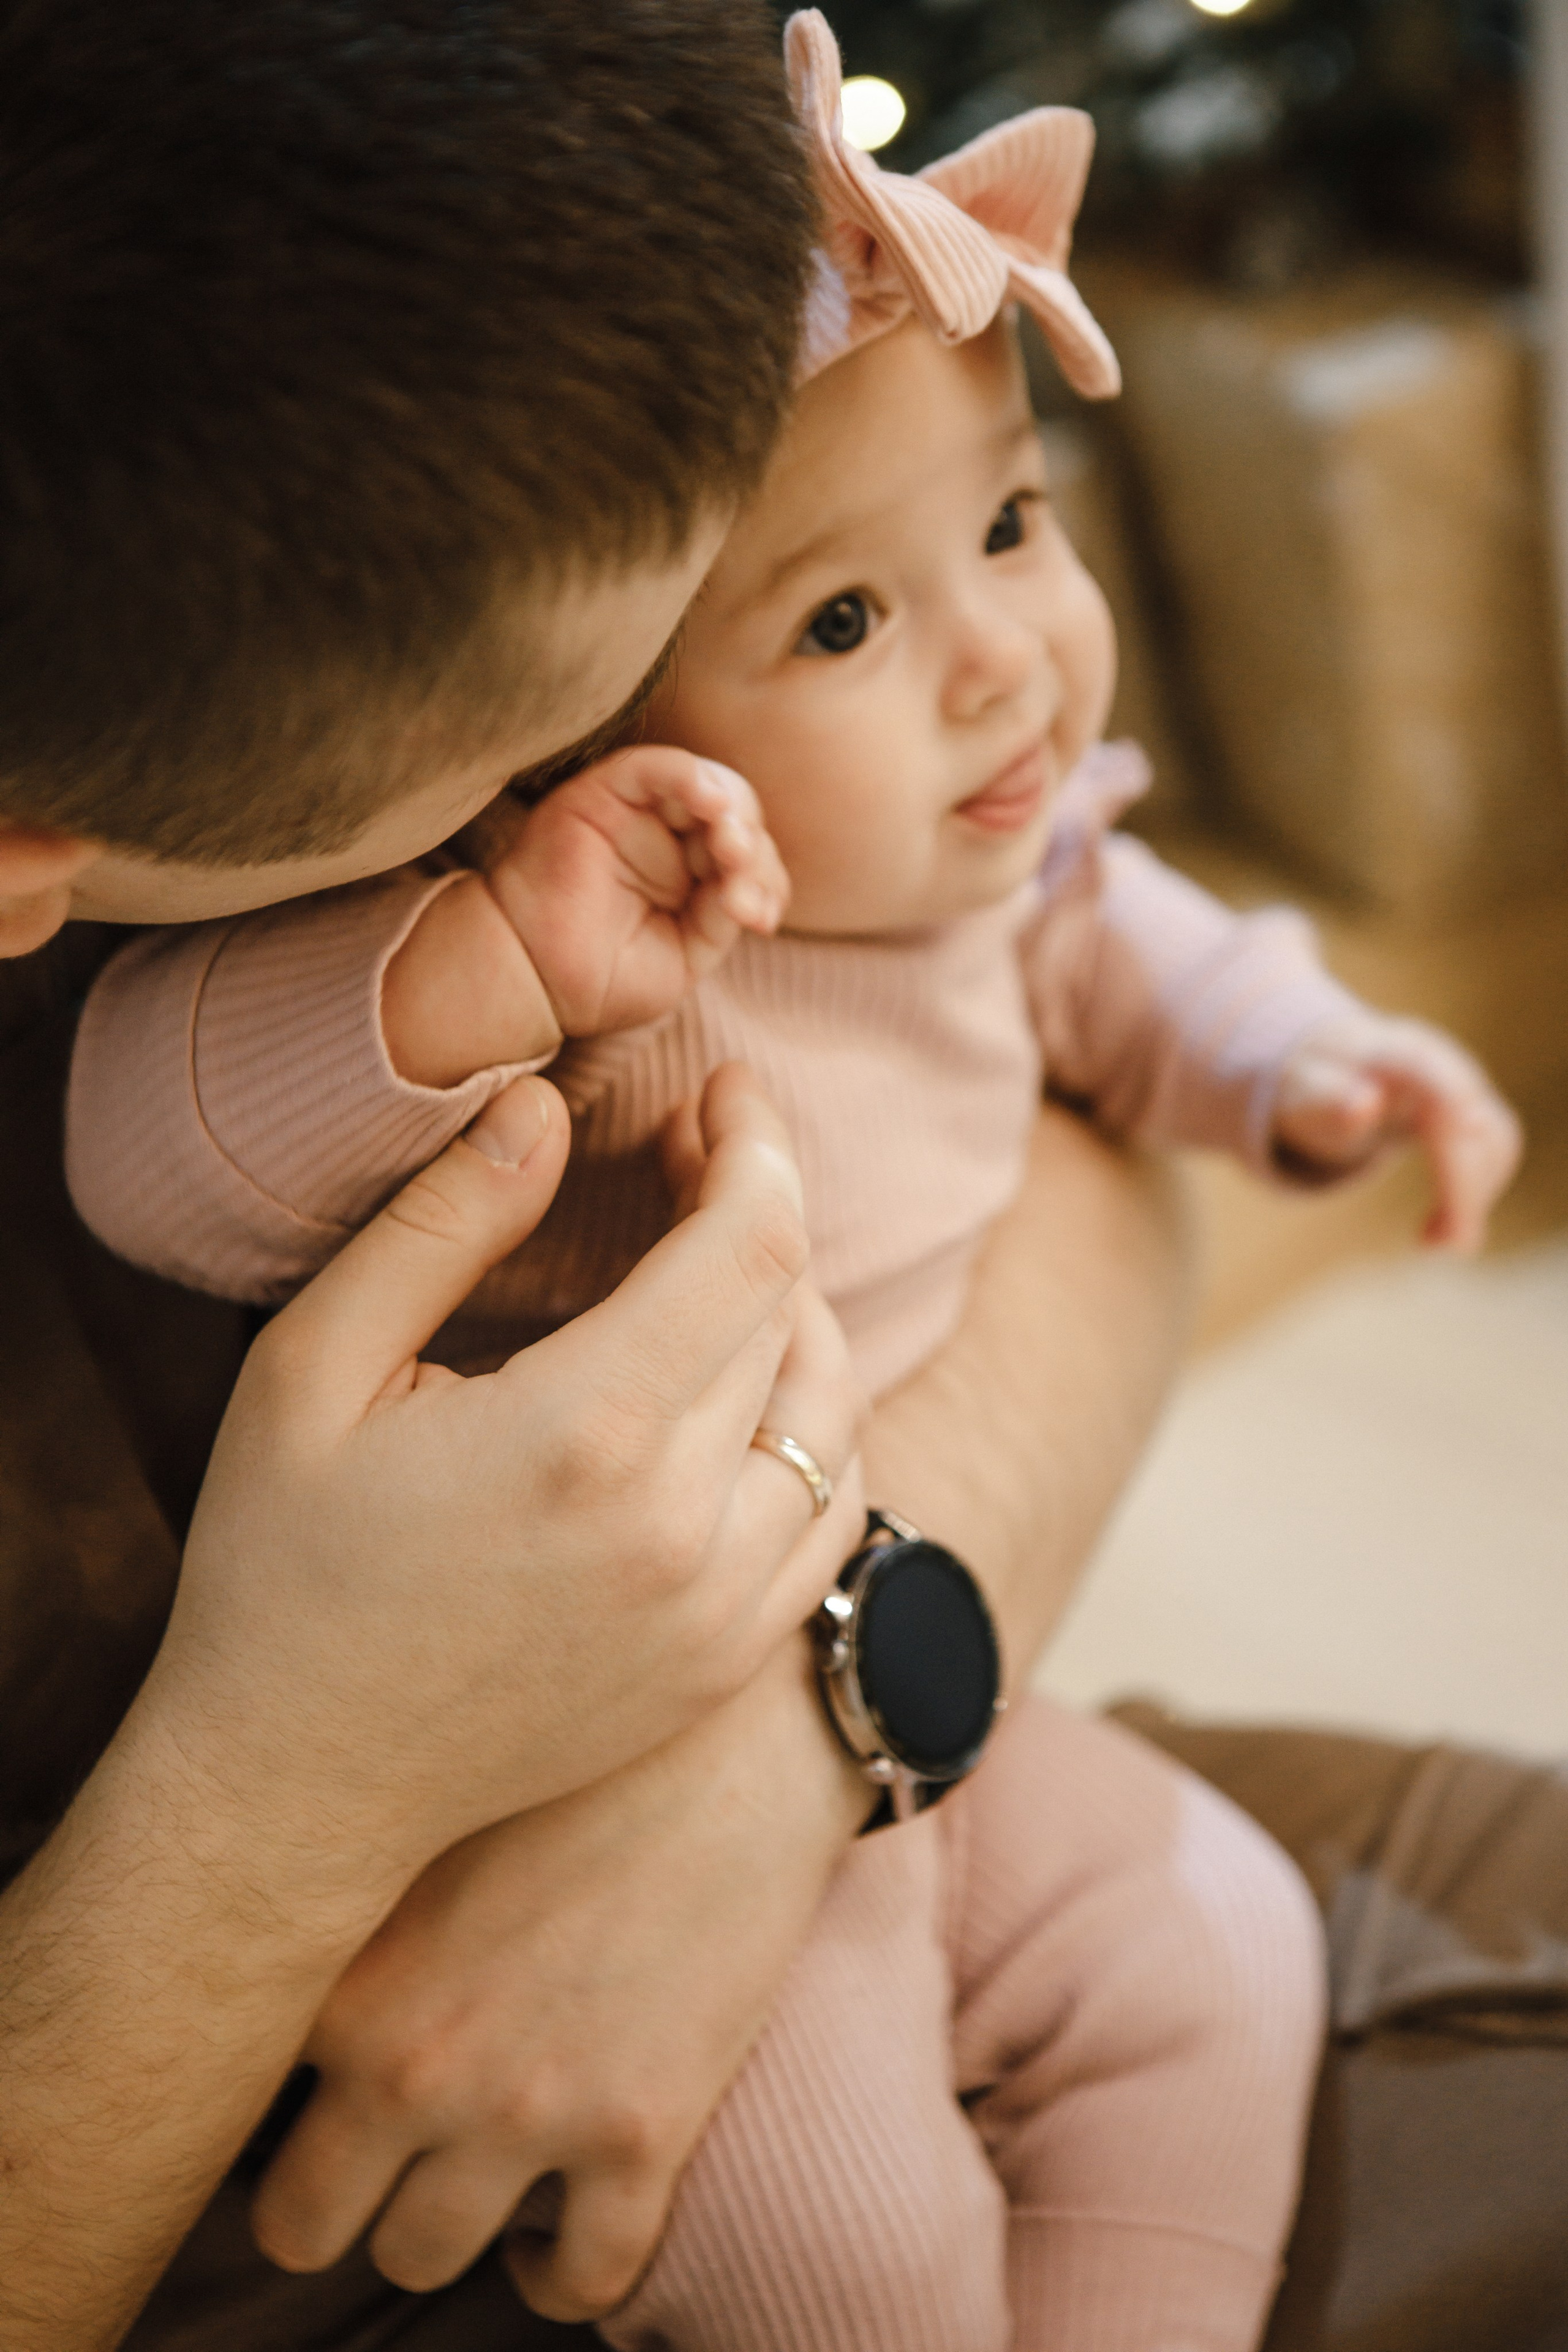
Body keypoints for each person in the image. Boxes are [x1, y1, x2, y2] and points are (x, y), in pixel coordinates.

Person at [62, 18, 1522, 2348]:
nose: (999, 670)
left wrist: (1309, 1068)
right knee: (839, 2246)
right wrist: (486, 961)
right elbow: (158, 1153)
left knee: (1217, 1942)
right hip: (555, 1770)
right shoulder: (578, 938)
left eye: (1017, 527)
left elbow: (1138, 957)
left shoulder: (988, 866)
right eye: (842, 622)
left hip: (888, 1696)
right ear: (558, 721)